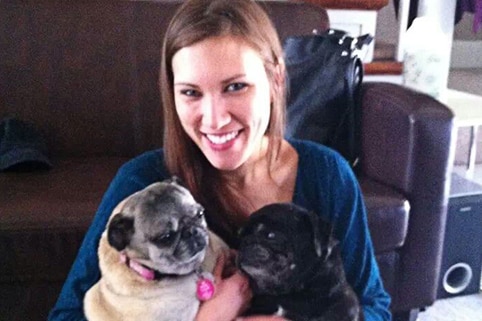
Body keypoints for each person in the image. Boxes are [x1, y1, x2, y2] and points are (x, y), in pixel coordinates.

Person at [49, 0, 391, 320]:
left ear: (276, 80)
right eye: (191, 92)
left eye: (235, 87)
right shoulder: (142, 186)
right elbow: (67, 315)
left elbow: (374, 306)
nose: (214, 119)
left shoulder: (326, 175)